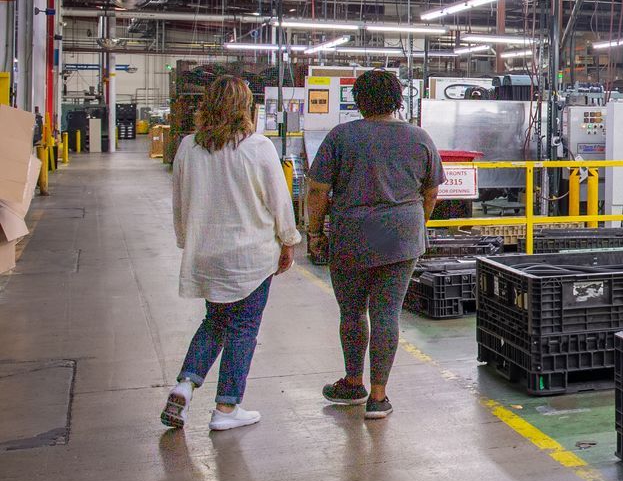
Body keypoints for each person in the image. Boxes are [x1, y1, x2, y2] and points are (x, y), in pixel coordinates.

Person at [163, 76, 302, 432]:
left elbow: (179, 200)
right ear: (247, 108)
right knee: (243, 328)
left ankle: (185, 384)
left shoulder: (187, 147)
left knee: (216, 320)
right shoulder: (258, 147)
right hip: (250, 257)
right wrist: (288, 240)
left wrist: (186, 242)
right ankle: (226, 408)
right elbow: (279, 202)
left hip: (206, 254)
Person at [306, 70, 442, 420]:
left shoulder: (341, 137)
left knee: (352, 312)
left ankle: (353, 382)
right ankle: (379, 397)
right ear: (398, 100)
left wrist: (315, 233)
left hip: (352, 236)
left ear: (359, 101)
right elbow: (431, 192)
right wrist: (415, 225)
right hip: (402, 238)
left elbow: (318, 190)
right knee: (387, 314)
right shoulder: (419, 138)